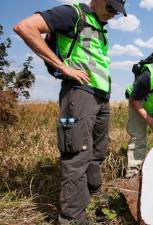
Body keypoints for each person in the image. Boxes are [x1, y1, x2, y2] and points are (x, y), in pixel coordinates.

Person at [14, 0, 127, 224]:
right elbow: (25, 27)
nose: (114, 14)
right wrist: (62, 66)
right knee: (77, 155)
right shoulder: (72, 13)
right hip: (79, 95)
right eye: (111, 7)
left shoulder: (99, 26)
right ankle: (72, 219)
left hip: (100, 97)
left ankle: (93, 203)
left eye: (117, 11)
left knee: (96, 154)